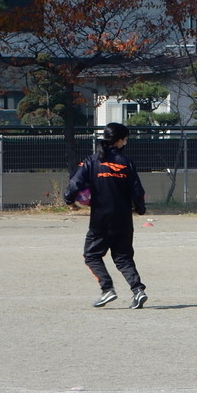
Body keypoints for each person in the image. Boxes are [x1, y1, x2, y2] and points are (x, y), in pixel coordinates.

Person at [64, 122, 148, 309]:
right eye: (125, 139)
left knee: (91, 255)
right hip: (124, 218)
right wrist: (140, 209)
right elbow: (137, 191)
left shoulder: (92, 161)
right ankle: (138, 290)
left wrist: (69, 201)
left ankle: (107, 289)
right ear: (119, 141)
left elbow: (74, 183)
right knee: (123, 257)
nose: (126, 142)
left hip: (101, 218)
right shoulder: (127, 163)